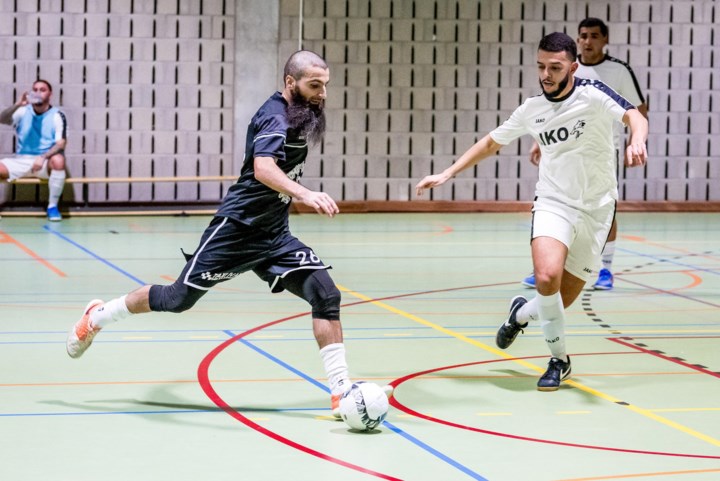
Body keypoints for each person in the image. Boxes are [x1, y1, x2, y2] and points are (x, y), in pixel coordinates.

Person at [66, 50, 390, 417]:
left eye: (325, 86)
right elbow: (263, 168)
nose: (322, 94)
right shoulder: (273, 117)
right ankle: (97, 316)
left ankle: (340, 392)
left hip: (275, 236)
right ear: (290, 83)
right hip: (235, 230)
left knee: (326, 294)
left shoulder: (299, 114)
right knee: (177, 299)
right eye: (314, 86)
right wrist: (306, 193)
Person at [416, 32, 648, 390]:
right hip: (554, 202)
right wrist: (448, 172)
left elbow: (634, 115)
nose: (546, 74)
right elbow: (491, 142)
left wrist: (637, 139)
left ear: (572, 67)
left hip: (597, 209)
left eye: (555, 67)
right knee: (545, 278)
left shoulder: (593, 94)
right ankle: (560, 360)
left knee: (557, 301)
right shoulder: (532, 109)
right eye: (541, 66)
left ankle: (520, 314)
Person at [522, 18, 648, 290]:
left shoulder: (618, 70)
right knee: (554, 206)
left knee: (603, 211)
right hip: (563, 151)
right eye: (583, 36)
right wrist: (538, 143)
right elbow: (548, 109)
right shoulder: (563, 67)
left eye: (593, 36)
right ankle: (549, 269)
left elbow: (638, 109)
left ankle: (606, 269)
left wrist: (635, 141)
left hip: (601, 152)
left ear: (605, 40)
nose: (587, 41)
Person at [0, 79, 67, 221]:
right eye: (35, 89)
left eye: (42, 90)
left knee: (59, 160)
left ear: (50, 94)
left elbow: (61, 144)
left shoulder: (57, 115)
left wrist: (43, 157)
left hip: (44, 161)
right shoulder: (23, 111)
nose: (38, 93)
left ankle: (52, 207)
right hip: (22, 160)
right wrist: (18, 104)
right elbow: (2, 119)